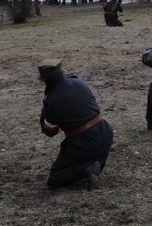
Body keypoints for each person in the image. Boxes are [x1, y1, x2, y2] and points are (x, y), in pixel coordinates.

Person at [38, 59, 113, 190]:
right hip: (105, 131)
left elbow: (51, 131)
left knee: (55, 179)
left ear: (45, 80)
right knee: (91, 156)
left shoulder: (53, 99)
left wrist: (44, 113)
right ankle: (94, 165)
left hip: (85, 141)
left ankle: (87, 169)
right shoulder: (78, 81)